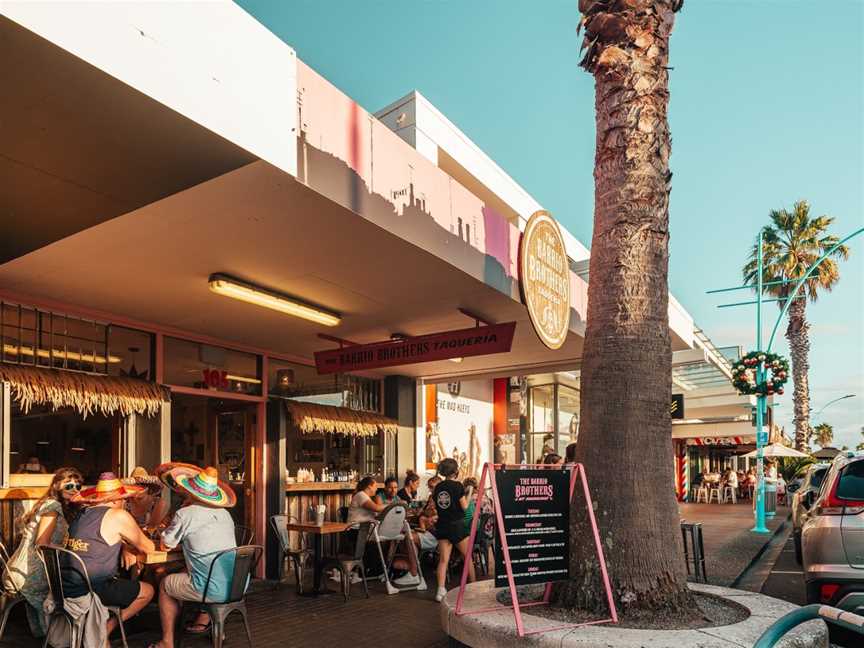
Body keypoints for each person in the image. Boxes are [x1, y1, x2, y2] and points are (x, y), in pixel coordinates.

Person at [149, 464, 238, 648]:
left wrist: (164, 529)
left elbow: (166, 545)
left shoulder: (186, 513)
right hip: (236, 585)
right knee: (184, 570)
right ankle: (216, 627)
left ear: (191, 491)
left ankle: (167, 642)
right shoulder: (225, 514)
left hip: (211, 588)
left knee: (166, 585)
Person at [62, 473, 155, 643]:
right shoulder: (117, 516)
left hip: (64, 586)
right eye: (123, 499)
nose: (124, 503)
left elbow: (98, 542)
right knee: (148, 591)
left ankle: (106, 628)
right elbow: (149, 547)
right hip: (92, 589)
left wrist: (125, 547)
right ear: (114, 500)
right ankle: (108, 626)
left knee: (122, 580)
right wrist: (132, 544)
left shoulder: (83, 513)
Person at [2, 467, 82, 637]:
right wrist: (67, 551)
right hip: (27, 576)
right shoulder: (53, 506)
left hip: (19, 570)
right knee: (73, 584)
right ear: (57, 486)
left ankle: (47, 633)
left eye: (78, 486)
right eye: (68, 486)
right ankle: (64, 636)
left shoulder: (52, 504)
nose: (74, 489)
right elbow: (42, 543)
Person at [432, 458, 475, 602]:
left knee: (443, 560)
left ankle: (440, 590)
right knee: (468, 556)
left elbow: (438, 505)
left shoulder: (437, 487)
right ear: (455, 471)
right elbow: (464, 507)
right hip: (457, 526)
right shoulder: (457, 486)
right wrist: (469, 493)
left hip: (443, 525)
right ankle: (473, 587)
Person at [123, 466, 169, 531]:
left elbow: (151, 528)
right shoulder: (125, 503)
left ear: (148, 487)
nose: (139, 488)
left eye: (142, 485)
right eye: (136, 485)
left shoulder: (157, 503)